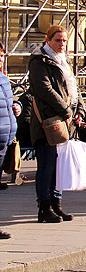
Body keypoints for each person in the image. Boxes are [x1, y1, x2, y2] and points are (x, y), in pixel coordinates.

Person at [29, 25, 86, 223]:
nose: (62, 43)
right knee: (47, 166)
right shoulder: (40, 61)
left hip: (66, 122)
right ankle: (44, 208)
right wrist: (66, 110)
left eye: (64, 40)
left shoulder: (64, 62)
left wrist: (80, 110)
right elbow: (44, 89)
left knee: (59, 167)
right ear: (48, 41)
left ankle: (57, 205)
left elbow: (74, 89)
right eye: (58, 40)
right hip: (47, 122)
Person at [0, 63, 16, 238]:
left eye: (2, 56)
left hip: (3, 138)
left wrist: (17, 105)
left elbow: (8, 103)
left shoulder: (3, 79)